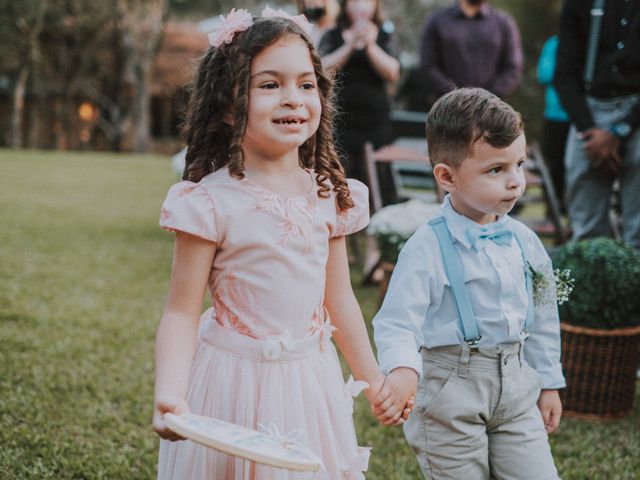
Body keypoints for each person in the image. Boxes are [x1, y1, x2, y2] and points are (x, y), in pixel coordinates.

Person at [151, 9, 408, 479]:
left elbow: (340, 299)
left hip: (309, 382)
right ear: (230, 104)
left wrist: (374, 381)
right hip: (231, 384)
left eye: (306, 84)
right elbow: (181, 311)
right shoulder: (208, 202)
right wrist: (170, 391)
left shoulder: (328, 195)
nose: (293, 99)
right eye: (269, 85)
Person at [373, 88, 566, 479]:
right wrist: (403, 370)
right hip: (450, 393)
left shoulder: (527, 243)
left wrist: (548, 382)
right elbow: (397, 321)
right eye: (496, 170)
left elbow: (544, 316)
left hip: (516, 388)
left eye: (520, 164)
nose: (515, 182)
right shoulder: (426, 247)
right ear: (447, 176)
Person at [554, 0, 640, 248]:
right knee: (587, 231)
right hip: (590, 113)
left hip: (636, 111)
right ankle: (593, 279)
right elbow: (565, 75)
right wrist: (588, 129)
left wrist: (619, 131)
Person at [318, 0, 400, 200]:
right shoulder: (333, 34)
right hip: (342, 118)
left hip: (375, 120)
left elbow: (393, 73)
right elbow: (323, 70)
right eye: (354, 1)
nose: (361, 6)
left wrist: (370, 45)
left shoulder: (385, 34)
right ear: (345, 5)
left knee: (378, 174)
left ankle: (378, 219)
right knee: (341, 169)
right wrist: (350, 45)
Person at [418, 0, 523, 109]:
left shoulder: (504, 23)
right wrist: (455, 96)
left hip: (490, 111)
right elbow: (428, 65)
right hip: (446, 110)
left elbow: (513, 67)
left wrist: (486, 98)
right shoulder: (437, 20)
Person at [537, 34, 570, 212]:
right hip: (555, 115)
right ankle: (555, 208)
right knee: (553, 165)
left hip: (584, 120)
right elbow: (544, 74)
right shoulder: (554, 43)